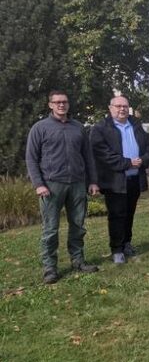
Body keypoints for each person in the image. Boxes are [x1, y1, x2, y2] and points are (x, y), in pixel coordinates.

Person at [25, 91, 100, 284]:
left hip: (77, 183)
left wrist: (92, 181)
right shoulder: (40, 128)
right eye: (57, 102)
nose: (61, 105)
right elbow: (31, 159)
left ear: (68, 104)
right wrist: (38, 184)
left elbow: (88, 157)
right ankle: (50, 268)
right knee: (50, 228)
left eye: (64, 102)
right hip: (51, 185)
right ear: (50, 105)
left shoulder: (78, 128)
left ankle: (78, 260)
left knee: (78, 225)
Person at [90, 95, 149, 264]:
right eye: (118, 106)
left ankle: (127, 243)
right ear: (110, 108)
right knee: (117, 215)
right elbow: (102, 153)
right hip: (115, 180)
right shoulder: (101, 128)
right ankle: (116, 249)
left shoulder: (136, 125)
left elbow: (148, 147)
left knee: (129, 213)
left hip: (134, 178)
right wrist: (127, 163)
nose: (122, 109)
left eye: (125, 106)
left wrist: (143, 160)